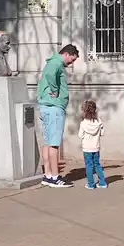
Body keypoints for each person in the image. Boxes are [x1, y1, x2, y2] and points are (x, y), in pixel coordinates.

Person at [37, 43, 78, 188]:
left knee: (48, 143)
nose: (70, 63)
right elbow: (49, 75)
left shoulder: (52, 62)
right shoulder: (56, 63)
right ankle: (54, 177)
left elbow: (45, 75)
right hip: (54, 107)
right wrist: (55, 90)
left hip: (48, 106)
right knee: (54, 144)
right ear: (66, 54)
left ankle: (48, 175)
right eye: (71, 60)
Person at [78, 99, 106, 190]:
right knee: (97, 164)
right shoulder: (99, 121)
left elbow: (80, 135)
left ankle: (90, 184)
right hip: (96, 147)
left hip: (87, 148)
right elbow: (102, 133)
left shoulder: (83, 123)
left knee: (89, 166)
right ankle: (102, 182)